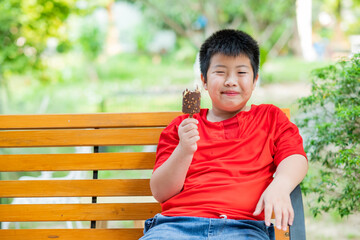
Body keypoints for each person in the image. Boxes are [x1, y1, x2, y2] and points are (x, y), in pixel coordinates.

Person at [140, 29, 308, 240]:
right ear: (204, 79)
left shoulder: (269, 118)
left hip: (243, 229)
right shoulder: (182, 126)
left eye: (241, 72)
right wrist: (184, 150)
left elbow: (295, 157)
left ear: (255, 79)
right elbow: (161, 191)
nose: (230, 81)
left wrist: (281, 184)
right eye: (220, 72)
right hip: (176, 226)